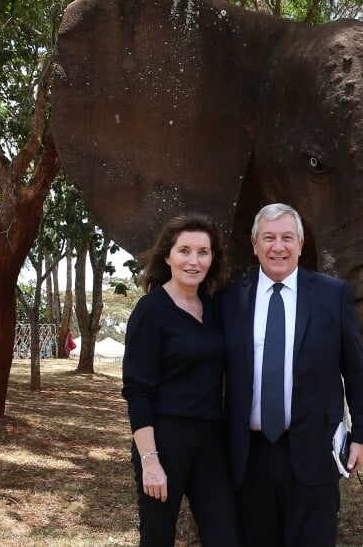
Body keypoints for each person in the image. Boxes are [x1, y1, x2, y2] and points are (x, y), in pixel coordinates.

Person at [217, 203, 363, 546]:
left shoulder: (333, 294)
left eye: (287, 238)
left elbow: (355, 369)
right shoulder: (230, 299)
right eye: (269, 238)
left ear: (301, 244)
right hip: (249, 454)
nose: (279, 247)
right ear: (254, 244)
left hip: (314, 449)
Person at [122, 213, 240, 547]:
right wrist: (150, 461)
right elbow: (137, 390)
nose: (194, 260)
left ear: (212, 259)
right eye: (184, 250)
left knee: (225, 536)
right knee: (157, 538)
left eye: (203, 252)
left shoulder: (215, 309)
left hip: (211, 442)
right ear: (168, 256)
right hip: (164, 439)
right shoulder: (151, 311)